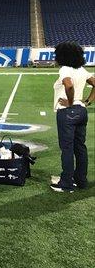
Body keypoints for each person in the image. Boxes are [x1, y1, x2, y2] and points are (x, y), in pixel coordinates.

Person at [50, 41, 94, 193]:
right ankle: (81, 180)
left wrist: (69, 102)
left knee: (67, 149)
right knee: (80, 147)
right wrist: (88, 101)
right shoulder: (81, 69)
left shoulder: (65, 69)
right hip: (82, 111)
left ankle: (66, 183)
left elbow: (68, 85)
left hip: (67, 112)